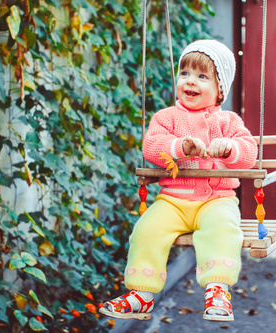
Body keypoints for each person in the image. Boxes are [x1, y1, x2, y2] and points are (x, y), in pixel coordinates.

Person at [100, 39, 258, 322]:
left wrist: (230, 149)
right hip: (172, 200)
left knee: (223, 230)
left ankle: (218, 289)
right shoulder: (167, 118)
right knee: (147, 230)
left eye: (201, 76)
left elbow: (249, 153)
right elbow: (152, 148)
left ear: (220, 88)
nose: (190, 82)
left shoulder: (229, 122)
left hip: (216, 200)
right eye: (184, 73)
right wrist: (180, 147)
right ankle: (142, 295)